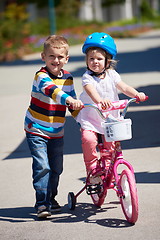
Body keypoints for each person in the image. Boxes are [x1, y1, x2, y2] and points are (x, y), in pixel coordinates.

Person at [24, 35, 83, 218]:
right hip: (36, 128)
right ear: (43, 56)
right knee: (42, 166)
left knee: (56, 168)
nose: (55, 60)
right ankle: (42, 203)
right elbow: (53, 91)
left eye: (59, 57)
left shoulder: (68, 78)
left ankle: (51, 198)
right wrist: (70, 100)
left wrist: (82, 120)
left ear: (66, 59)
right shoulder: (40, 76)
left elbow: (71, 105)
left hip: (57, 131)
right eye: (51, 56)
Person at [76, 32, 146, 183]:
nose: (95, 62)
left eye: (99, 59)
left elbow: (124, 87)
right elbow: (90, 90)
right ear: (86, 61)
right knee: (88, 140)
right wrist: (100, 101)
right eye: (91, 59)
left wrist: (136, 94)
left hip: (110, 119)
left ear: (108, 61)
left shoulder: (112, 74)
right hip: (91, 118)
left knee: (110, 147)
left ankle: (108, 170)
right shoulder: (87, 77)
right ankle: (93, 171)